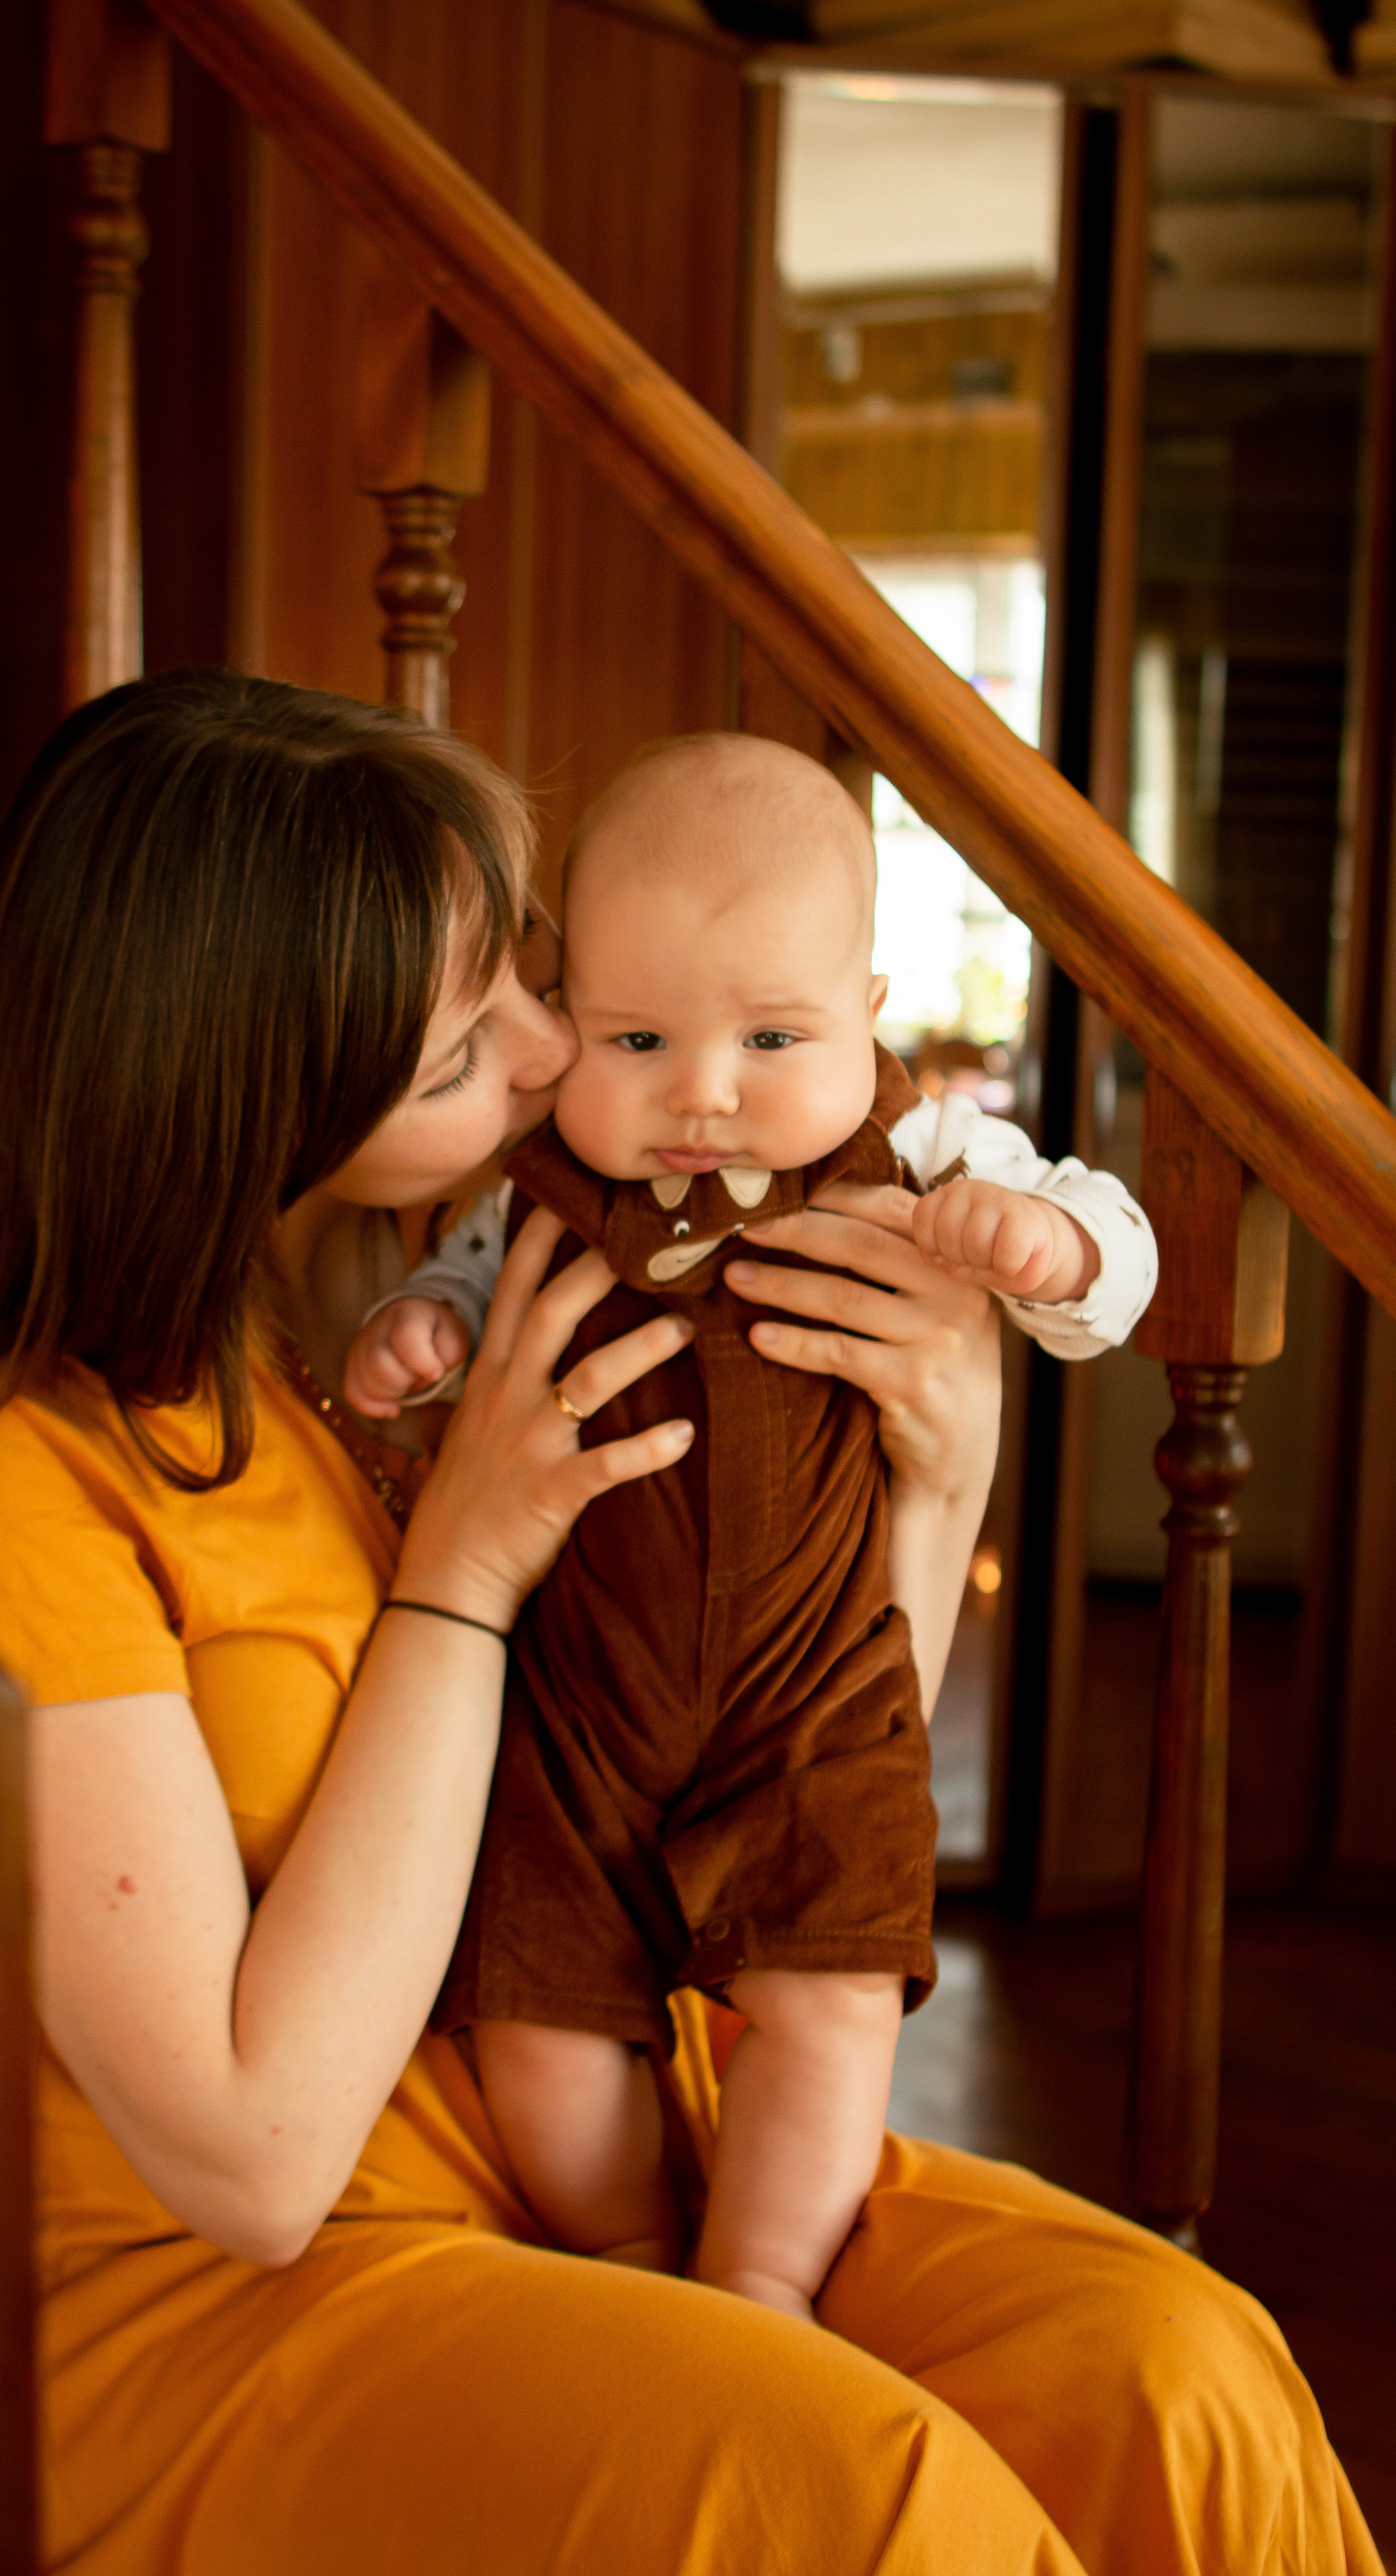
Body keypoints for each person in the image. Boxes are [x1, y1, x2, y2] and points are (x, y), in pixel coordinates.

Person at [0, 673, 1381, 2576]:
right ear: (259, 1086)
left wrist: (938, 1482)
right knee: (877, 2504)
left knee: (1185, 2374)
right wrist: (463, 1577)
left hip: (570, 2130)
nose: (566, 1050)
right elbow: (249, 2159)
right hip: (242, 2291)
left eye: (530, 980)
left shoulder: (314, 1362)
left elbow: (759, 1737)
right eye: (479, 1037)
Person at [343, 734, 1159, 2321]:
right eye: (636, 1035)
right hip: (575, 1702)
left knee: (835, 2000)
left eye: (771, 1035)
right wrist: (424, 1329)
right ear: (567, 1014)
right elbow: (465, 1272)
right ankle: (634, 2257)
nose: (702, 1094)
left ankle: (762, 2281)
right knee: (532, 2010)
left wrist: (1048, 1243)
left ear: (865, 1017)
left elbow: (1115, 1261)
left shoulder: (918, 1154)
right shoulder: (545, 1182)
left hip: (816, 1700)